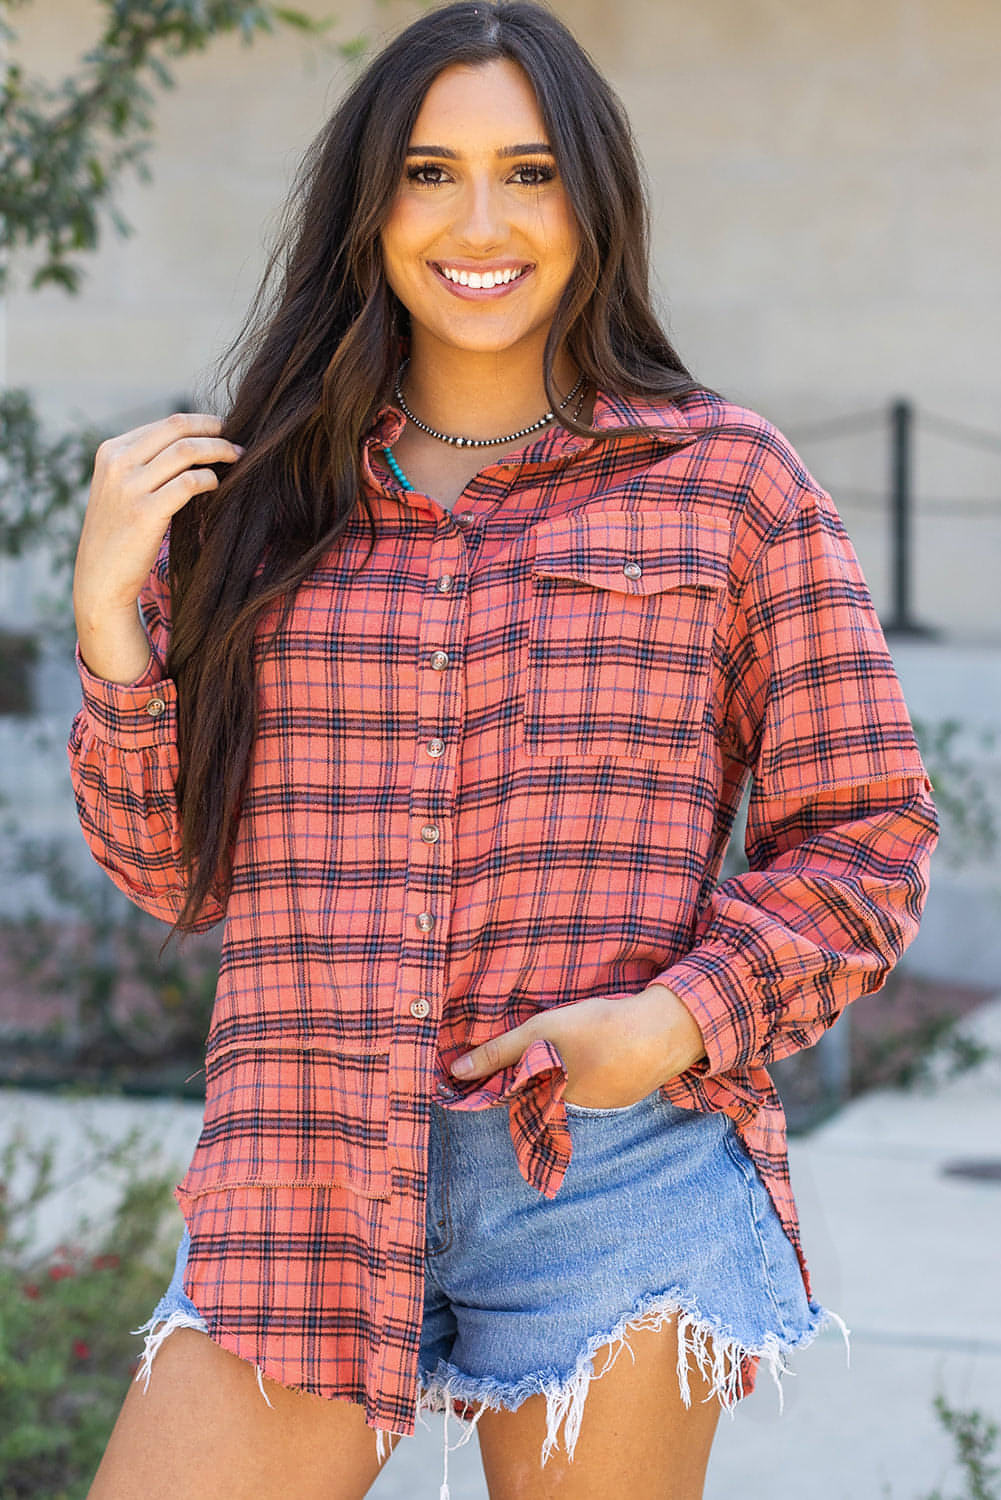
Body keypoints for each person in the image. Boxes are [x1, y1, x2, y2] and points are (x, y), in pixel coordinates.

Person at [68, 3, 938, 1497]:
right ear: (370, 205)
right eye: (429, 171)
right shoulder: (251, 501)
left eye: (528, 173)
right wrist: (108, 622)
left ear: (591, 201)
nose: (481, 221)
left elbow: (867, 834)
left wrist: (667, 1026)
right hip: (303, 1165)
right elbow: (173, 875)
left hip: (609, 1170)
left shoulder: (723, 483)